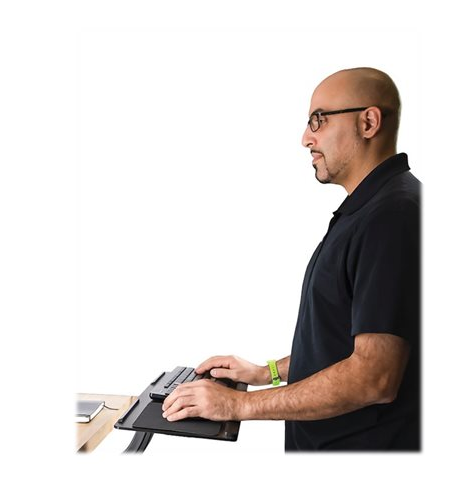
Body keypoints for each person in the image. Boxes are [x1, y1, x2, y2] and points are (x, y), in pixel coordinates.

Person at [162, 67, 421, 451]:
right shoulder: (367, 211)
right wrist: (264, 372)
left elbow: (373, 377)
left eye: (319, 120)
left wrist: (237, 404)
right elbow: (338, 346)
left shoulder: (392, 216)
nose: (306, 138)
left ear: (368, 122)